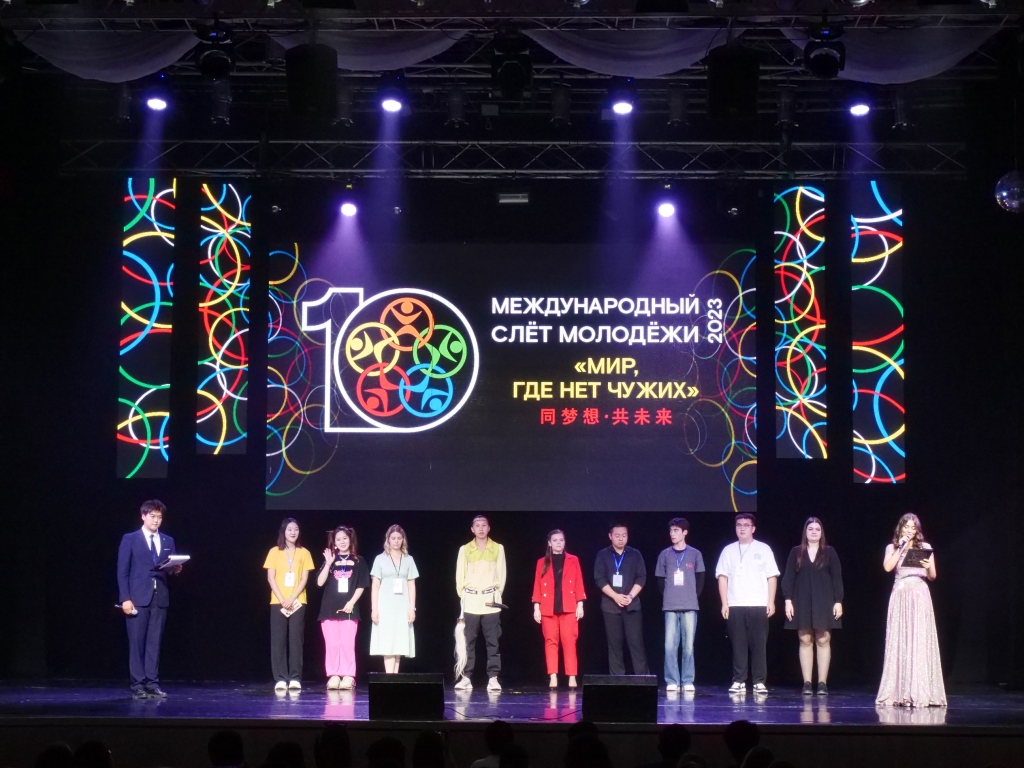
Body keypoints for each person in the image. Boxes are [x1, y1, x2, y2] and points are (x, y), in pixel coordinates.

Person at [876, 513, 946, 707]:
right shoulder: (892, 547)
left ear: (917, 530)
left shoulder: (925, 548)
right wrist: (900, 548)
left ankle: (920, 690)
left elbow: (932, 576)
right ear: (900, 529)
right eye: (906, 527)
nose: (909, 530)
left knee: (919, 639)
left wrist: (927, 566)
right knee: (900, 639)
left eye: (912, 527)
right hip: (900, 594)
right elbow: (887, 567)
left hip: (920, 594)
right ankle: (899, 691)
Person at [117, 499, 180, 699]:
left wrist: (176, 569)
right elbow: (122, 571)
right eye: (152, 516)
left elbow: (168, 568)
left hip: (159, 597)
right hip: (137, 598)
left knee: (154, 642)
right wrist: (125, 598)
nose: (156, 520)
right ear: (143, 516)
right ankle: (137, 685)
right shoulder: (131, 539)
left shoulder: (168, 540)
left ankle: (152, 683)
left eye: (159, 517)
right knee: (137, 643)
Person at [716, 513, 779, 695]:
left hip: (758, 603)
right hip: (735, 604)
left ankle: (759, 681)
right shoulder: (728, 550)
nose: (742, 528)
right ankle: (739, 680)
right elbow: (722, 577)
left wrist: (771, 601)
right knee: (738, 644)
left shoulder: (764, 548)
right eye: (738, 525)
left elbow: (771, 576)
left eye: (746, 525)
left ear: (753, 528)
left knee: (759, 644)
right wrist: (724, 603)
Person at [781, 517, 844, 696]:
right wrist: (788, 600)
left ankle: (822, 683)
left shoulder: (829, 552)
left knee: (823, 639)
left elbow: (837, 578)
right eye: (811, 529)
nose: (814, 531)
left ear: (821, 532)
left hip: (824, 600)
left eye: (817, 529)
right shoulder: (796, 552)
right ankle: (807, 683)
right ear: (805, 532)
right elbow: (789, 577)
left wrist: (838, 601)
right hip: (802, 600)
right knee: (805, 639)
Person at [455, 515, 507, 692]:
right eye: (477, 525)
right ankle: (466, 677)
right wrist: (464, 595)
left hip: (490, 600)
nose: (481, 528)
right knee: (468, 641)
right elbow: (459, 576)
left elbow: (502, 575)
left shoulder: (498, 548)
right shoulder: (465, 549)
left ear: (489, 528)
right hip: (470, 600)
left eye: (484, 525)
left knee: (493, 641)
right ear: (472, 529)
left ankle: (493, 677)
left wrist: (496, 596)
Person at [264, 518, 315, 692]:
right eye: (289, 529)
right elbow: (271, 577)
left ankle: (295, 677)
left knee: (296, 640)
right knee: (278, 640)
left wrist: (292, 598)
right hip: (278, 601)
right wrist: (282, 599)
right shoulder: (274, 551)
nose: (293, 532)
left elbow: (304, 579)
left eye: (296, 529)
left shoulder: (304, 553)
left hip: (298, 601)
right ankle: (280, 678)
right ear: (283, 532)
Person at [655, 518, 705, 693]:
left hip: (690, 605)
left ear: (685, 532)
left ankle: (688, 680)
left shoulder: (695, 553)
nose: (672, 534)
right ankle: (672, 680)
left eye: (676, 530)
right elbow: (660, 581)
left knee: (688, 645)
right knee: (670, 644)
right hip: (670, 605)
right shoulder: (665, 554)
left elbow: (700, 579)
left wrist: (691, 597)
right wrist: (670, 596)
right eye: (671, 531)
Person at [316, 526, 370, 690]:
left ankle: (348, 675)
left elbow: (362, 585)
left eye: (344, 538)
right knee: (332, 644)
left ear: (350, 539)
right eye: (338, 539)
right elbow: (319, 582)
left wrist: (351, 602)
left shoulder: (359, 560)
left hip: (349, 609)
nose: (342, 542)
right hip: (329, 608)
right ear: (334, 542)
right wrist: (328, 563)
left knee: (347, 644)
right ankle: (333, 675)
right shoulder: (331, 561)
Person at [531, 529, 586, 689]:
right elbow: (537, 585)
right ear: (549, 543)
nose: (558, 543)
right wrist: (536, 606)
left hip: (568, 606)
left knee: (570, 641)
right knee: (550, 641)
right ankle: (553, 675)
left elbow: (578, 582)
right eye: (555, 540)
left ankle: (572, 676)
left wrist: (580, 603)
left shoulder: (573, 560)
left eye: (561, 540)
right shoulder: (541, 562)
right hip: (548, 607)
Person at [593, 522, 649, 675]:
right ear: (610, 536)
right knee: (614, 646)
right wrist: (616, 596)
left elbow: (641, 577)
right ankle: (617, 680)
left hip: (632, 606)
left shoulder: (635, 554)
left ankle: (642, 679)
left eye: (624, 536)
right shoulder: (602, 555)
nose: (621, 539)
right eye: (617, 536)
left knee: (636, 644)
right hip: (610, 606)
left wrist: (630, 596)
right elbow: (599, 579)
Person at [370, 524, 419, 672]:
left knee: (399, 642)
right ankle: (389, 678)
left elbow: (412, 585)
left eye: (399, 538)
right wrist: (374, 609)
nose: (396, 541)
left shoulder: (408, 559)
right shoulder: (380, 559)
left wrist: (412, 608)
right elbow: (375, 586)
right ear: (388, 540)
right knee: (388, 641)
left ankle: (394, 678)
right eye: (393, 538)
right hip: (385, 605)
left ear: (403, 540)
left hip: (402, 605)